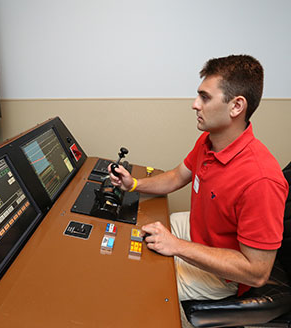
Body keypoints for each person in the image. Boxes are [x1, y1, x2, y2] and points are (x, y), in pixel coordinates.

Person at [108, 55, 289, 303]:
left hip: (222, 276)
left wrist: (177, 246)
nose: (195, 104)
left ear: (236, 106)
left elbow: (257, 273)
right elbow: (175, 177)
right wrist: (134, 185)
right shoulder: (210, 140)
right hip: (197, 231)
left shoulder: (261, 179)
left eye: (205, 97)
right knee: (137, 230)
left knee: (142, 287)